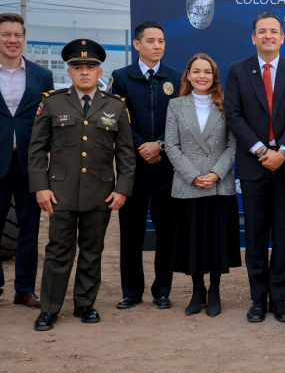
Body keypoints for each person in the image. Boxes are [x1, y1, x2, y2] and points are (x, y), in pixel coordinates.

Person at [28, 39, 135, 331]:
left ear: (100, 72)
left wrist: (122, 188)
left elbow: (126, 153)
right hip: (59, 193)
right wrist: (40, 187)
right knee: (58, 250)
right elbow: (37, 150)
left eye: (90, 67)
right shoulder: (52, 102)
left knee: (92, 250)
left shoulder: (115, 105)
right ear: (69, 72)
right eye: (78, 68)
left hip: (100, 192)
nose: (84, 72)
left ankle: (85, 304)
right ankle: (49, 309)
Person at [224, 12, 285, 323]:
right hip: (254, 165)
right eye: (262, 31)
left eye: (274, 31)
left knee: (284, 235)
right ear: (253, 38)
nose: (268, 36)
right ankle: (258, 299)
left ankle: (280, 299)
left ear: (282, 37)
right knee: (256, 235)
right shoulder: (237, 70)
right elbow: (233, 115)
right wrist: (262, 150)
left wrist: (282, 152)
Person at [109, 21, 181, 310]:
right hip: (133, 168)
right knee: (131, 232)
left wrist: (160, 144)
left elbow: (180, 121)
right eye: (150, 41)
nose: (157, 46)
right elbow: (118, 119)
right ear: (137, 45)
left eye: (161, 41)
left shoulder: (176, 78)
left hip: (166, 168)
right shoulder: (121, 77)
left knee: (167, 232)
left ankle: (162, 290)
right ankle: (132, 291)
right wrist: (143, 147)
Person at [165, 54, 240, 318]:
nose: (201, 76)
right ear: (188, 75)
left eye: (207, 72)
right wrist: (194, 175)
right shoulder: (176, 105)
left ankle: (215, 290)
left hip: (219, 184)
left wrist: (216, 174)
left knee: (217, 240)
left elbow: (233, 145)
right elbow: (171, 146)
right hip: (189, 184)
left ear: (214, 76)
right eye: (196, 71)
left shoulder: (227, 105)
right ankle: (198, 290)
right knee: (193, 240)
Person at [0, 13, 54, 306]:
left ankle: (24, 289)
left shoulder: (41, 76)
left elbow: (47, 120)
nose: (12, 40)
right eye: (6, 34)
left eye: (17, 35)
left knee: (29, 230)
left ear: (24, 38)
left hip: (30, 164)